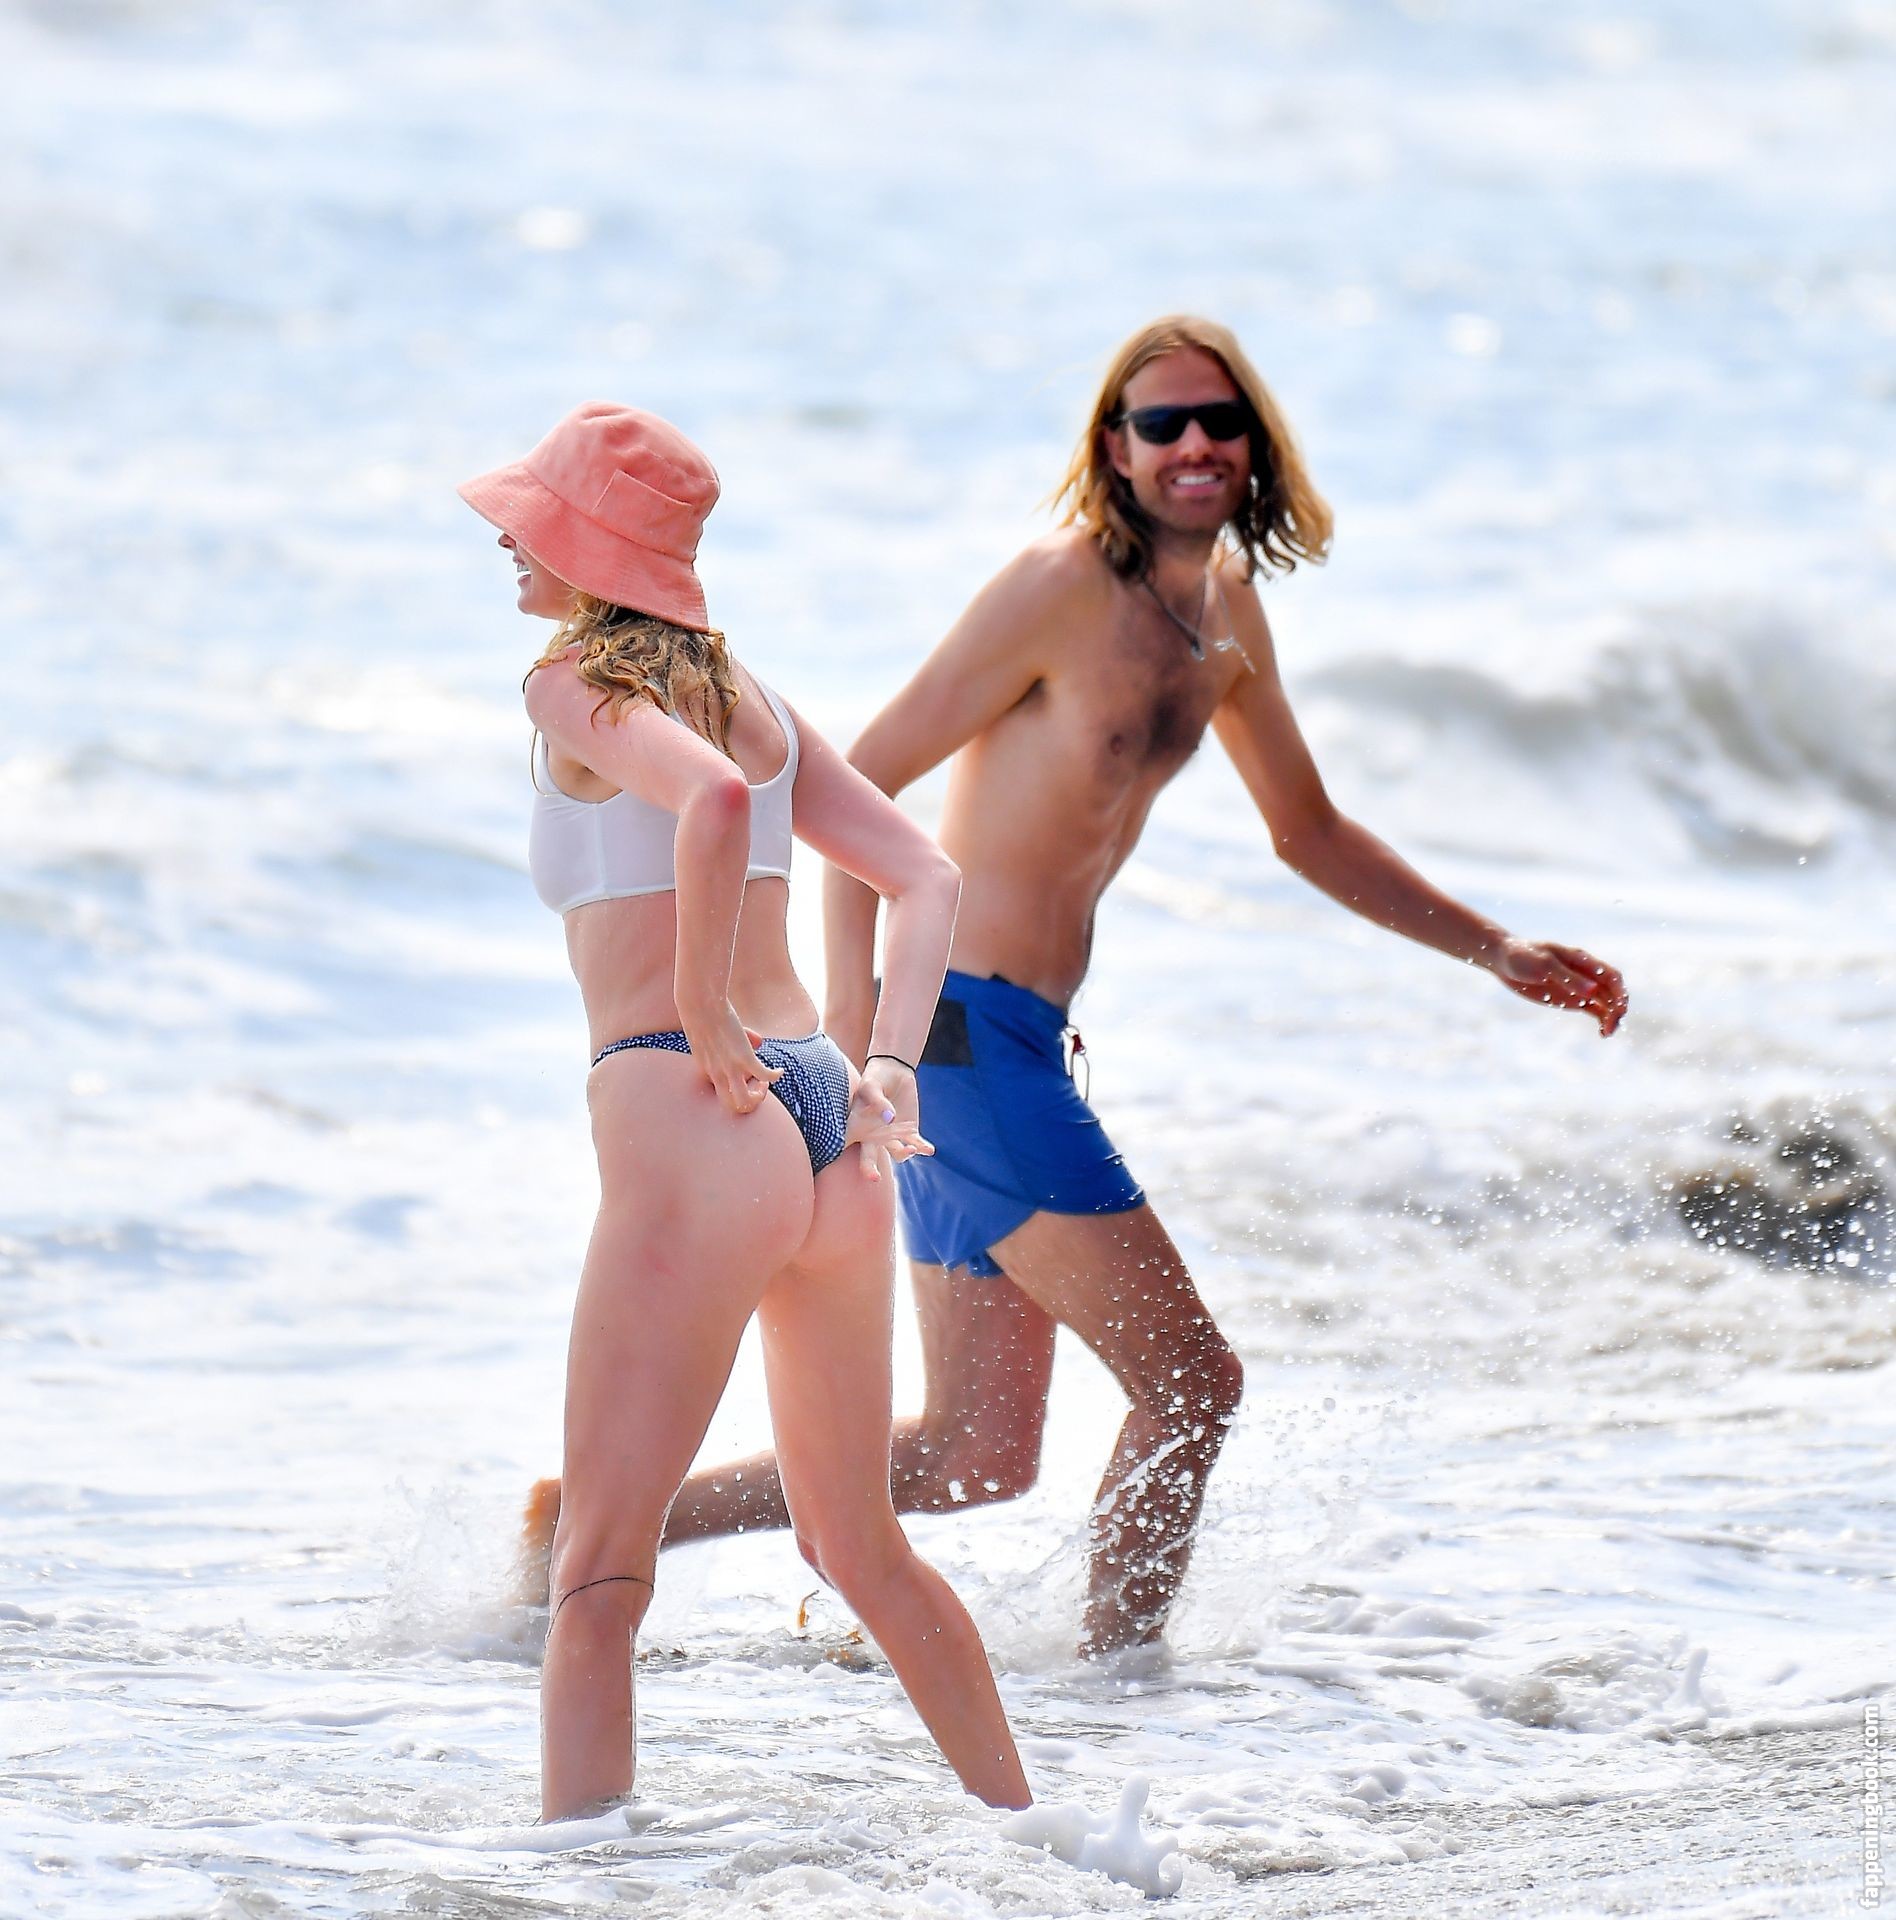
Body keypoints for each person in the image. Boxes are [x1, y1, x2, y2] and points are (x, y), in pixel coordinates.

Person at [520, 318, 1629, 1658]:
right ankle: (1120, 1704)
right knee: (1194, 1383)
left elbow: (1308, 830)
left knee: (977, 1454)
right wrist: (870, 1046)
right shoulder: (1054, 590)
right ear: (1116, 448)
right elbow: (860, 796)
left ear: (1257, 444)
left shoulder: (1224, 616)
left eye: (1221, 420)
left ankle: (581, 1523)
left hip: (1017, 1042)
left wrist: (1493, 948)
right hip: (960, 1044)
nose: (1195, 444)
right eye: (1161, 423)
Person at [462, 401, 1030, 1818]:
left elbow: (709, 804)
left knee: (598, 1574)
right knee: (861, 1550)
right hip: (832, 1113)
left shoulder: (568, 682)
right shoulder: (753, 694)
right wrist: (891, 1062)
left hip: (694, 1096)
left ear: (589, 548)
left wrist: (703, 1012)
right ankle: (1044, 1846)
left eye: (529, 522)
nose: (506, 542)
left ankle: (580, 1895)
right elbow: (926, 876)